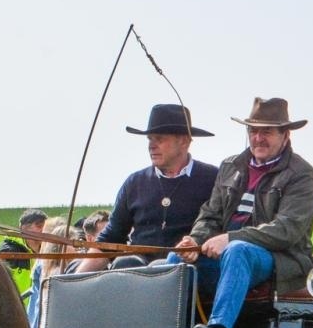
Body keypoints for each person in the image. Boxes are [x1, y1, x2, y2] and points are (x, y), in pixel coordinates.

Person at [172, 97, 313, 328]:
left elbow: (287, 230)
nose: (258, 138)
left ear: (285, 135)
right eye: (253, 130)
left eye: (267, 132)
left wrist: (229, 238)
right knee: (175, 259)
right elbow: (210, 215)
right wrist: (194, 242)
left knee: (239, 250)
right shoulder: (231, 166)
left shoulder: (301, 174)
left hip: (279, 260)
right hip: (227, 256)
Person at [77, 104, 218, 271]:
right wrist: (75, 280)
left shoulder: (212, 178)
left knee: (161, 267)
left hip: (187, 269)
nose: (152, 145)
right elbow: (110, 239)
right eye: (150, 139)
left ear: (184, 141)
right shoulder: (134, 183)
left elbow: (218, 226)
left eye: (159, 139)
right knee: (125, 263)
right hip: (136, 270)